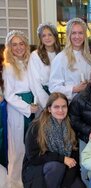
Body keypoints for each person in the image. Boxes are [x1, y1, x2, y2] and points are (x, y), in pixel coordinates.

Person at [22, 92, 84, 188]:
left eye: (64, 106)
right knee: (57, 167)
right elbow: (33, 156)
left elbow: (73, 159)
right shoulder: (37, 126)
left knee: (78, 186)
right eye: (56, 107)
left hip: (65, 168)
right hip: (38, 168)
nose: (61, 110)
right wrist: (61, 158)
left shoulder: (70, 126)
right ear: (49, 109)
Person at [2, 30, 39, 188]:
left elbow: (36, 86)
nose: (18, 47)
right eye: (14, 44)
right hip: (18, 111)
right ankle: (15, 183)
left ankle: (30, 180)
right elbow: (9, 95)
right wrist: (26, 107)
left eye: (21, 44)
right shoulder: (8, 67)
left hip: (33, 107)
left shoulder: (30, 63)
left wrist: (36, 103)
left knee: (32, 147)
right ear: (9, 47)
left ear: (26, 45)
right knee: (17, 150)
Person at [49, 17, 91, 101]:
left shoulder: (89, 57)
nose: (77, 36)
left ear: (84, 36)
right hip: (70, 105)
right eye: (74, 33)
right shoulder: (61, 58)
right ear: (69, 35)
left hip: (88, 104)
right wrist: (74, 89)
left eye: (80, 33)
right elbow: (53, 87)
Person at [28, 22, 61, 108]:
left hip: (61, 97)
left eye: (50, 34)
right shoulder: (35, 55)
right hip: (43, 98)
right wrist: (47, 104)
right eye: (44, 35)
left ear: (55, 36)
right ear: (40, 39)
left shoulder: (61, 54)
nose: (47, 38)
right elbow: (35, 84)